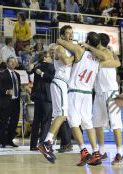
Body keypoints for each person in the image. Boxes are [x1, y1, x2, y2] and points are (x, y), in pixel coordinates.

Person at [57, 32, 109, 166]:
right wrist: (90, 47)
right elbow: (105, 55)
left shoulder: (80, 50)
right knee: (88, 124)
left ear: (86, 40)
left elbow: (62, 42)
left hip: (75, 91)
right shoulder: (98, 57)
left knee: (73, 122)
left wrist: (64, 39)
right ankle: (96, 153)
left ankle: (83, 151)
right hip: (87, 93)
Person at [82, 33, 123, 165]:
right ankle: (102, 151)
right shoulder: (96, 53)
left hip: (111, 93)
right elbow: (117, 62)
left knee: (116, 124)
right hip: (99, 93)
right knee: (97, 124)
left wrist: (88, 46)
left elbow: (109, 59)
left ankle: (120, 154)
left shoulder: (106, 52)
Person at [38, 25, 75, 163]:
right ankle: (46, 143)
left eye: (72, 33)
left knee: (59, 116)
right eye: (67, 33)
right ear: (62, 35)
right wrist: (77, 54)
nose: (70, 35)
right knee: (62, 115)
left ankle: (48, 143)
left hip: (64, 84)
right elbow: (66, 61)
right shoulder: (60, 47)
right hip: (59, 82)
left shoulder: (71, 48)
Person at [28, 51, 54, 151]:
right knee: (46, 121)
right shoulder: (51, 67)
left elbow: (29, 71)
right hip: (47, 97)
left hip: (38, 97)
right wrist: (42, 73)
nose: (50, 58)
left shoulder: (36, 66)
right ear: (45, 57)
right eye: (49, 56)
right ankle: (42, 144)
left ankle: (33, 145)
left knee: (36, 121)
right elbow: (51, 78)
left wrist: (30, 66)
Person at [0, 57, 21, 148]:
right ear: (7, 63)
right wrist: (6, 91)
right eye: (11, 62)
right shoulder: (2, 74)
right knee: (4, 122)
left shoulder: (17, 74)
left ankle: (10, 140)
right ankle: (2, 141)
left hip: (16, 101)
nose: (13, 64)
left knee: (14, 122)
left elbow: (18, 87)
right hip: (6, 101)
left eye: (15, 62)